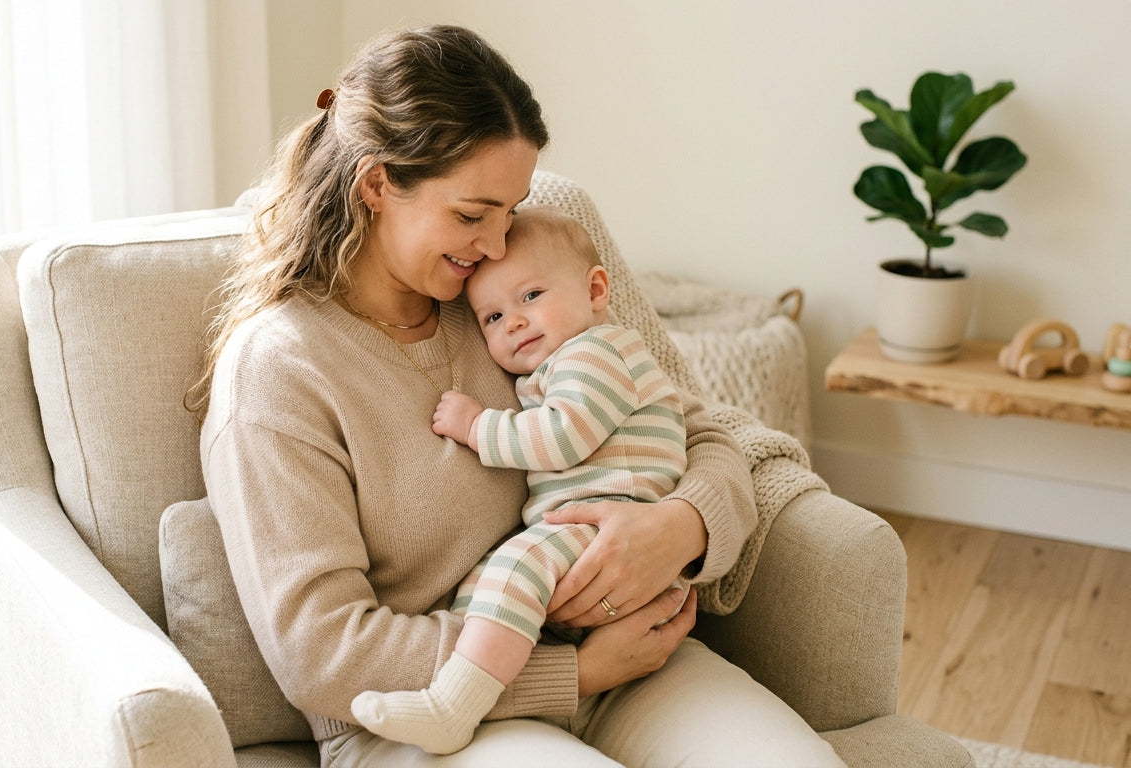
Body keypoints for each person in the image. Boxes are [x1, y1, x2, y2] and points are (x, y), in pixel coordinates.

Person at [191, 23, 845, 767]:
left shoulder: (511, 294)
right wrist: (568, 673)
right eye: (473, 215)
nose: (498, 245)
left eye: (512, 208)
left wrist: (682, 527)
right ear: (376, 184)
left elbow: (703, 430)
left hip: (627, 661)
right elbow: (323, 652)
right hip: (427, 717)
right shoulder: (278, 373)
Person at [349, 206, 693, 754]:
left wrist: (478, 426)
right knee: (487, 583)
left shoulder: (596, 352)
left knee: (511, 568)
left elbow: (563, 436)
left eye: (531, 296)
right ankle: (476, 686)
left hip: (608, 524)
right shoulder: (567, 358)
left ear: (596, 289)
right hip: (579, 536)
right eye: (491, 317)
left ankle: (454, 705)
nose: (512, 322)